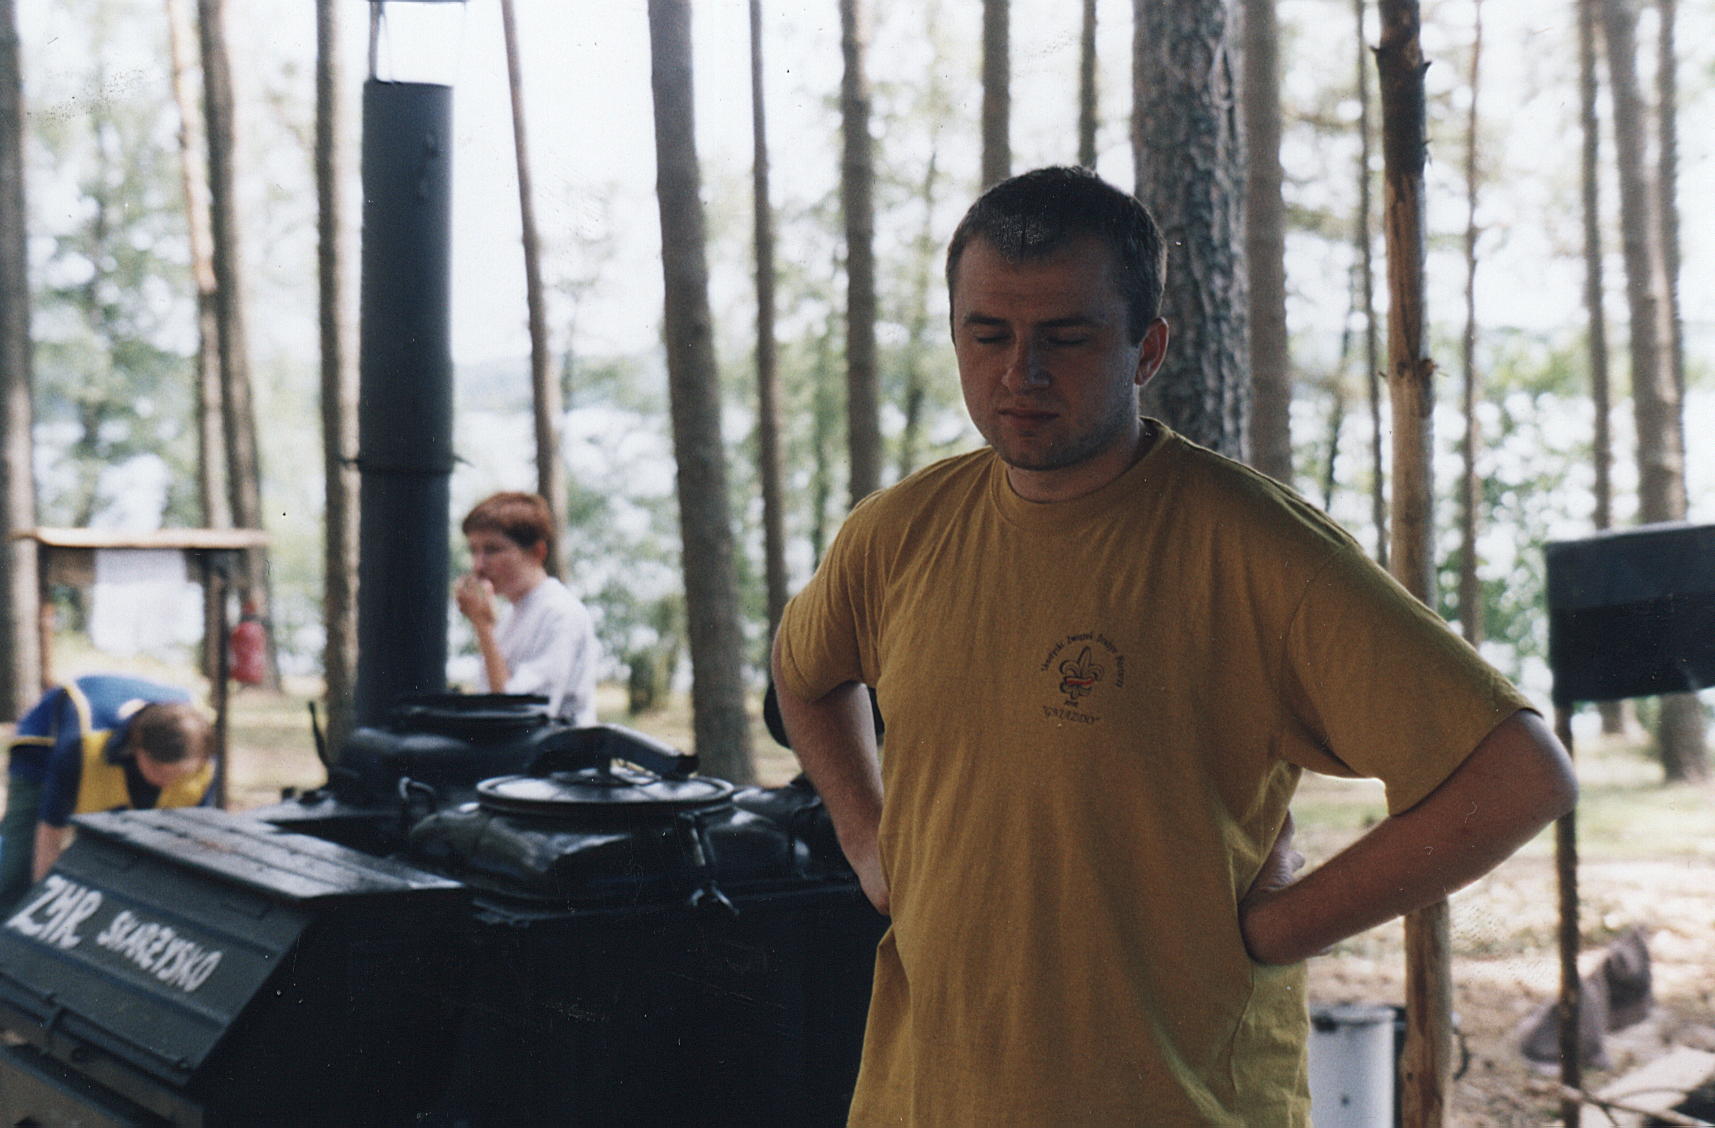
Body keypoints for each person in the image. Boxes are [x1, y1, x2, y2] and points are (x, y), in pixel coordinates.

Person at [770, 166, 1577, 1125]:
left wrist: (1283, 927)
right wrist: (865, 838)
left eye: (1065, 337)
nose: (1020, 372)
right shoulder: (897, 532)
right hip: (924, 1098)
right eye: (987, 335)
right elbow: (805, 671)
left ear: (1146, 349)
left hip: (1178, 1098)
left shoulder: (1254, 549)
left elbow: (1519, 776)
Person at [2, 674, 215, 909]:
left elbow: (193, 837)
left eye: (179, 776)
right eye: (159, 771)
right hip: (43, 743)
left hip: (121, 743)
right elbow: (50, 832)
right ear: (136, 749)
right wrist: (40, 904)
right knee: (18, 862)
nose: (168, 783)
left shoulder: (204, 761)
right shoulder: (80, 747)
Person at [455, 491, 600, 726]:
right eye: (473, 551)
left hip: (560, 749)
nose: (478, 566)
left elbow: (516, 715)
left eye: (492, 550)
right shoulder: (511, 615)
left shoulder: (559, 613)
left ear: (537, 552)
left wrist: (483, 627)